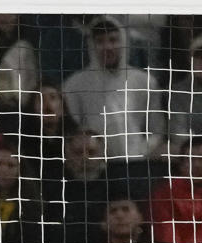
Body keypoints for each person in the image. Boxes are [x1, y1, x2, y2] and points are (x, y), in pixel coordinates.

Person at [62, 16, 164, 161]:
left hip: (137, 164)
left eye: (113, 40)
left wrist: (141, 153)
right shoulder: (74, 85)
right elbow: (73, 133)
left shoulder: (145, 82)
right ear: (91, 45)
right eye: (100, 41)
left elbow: (156, 130)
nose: (107, 47)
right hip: (94, 169)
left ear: (123, 42)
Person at [150, 137, 202, 243]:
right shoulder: (166, 192)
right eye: (190, 160)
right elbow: (168, 235)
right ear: (181, 165)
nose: (196, 165)